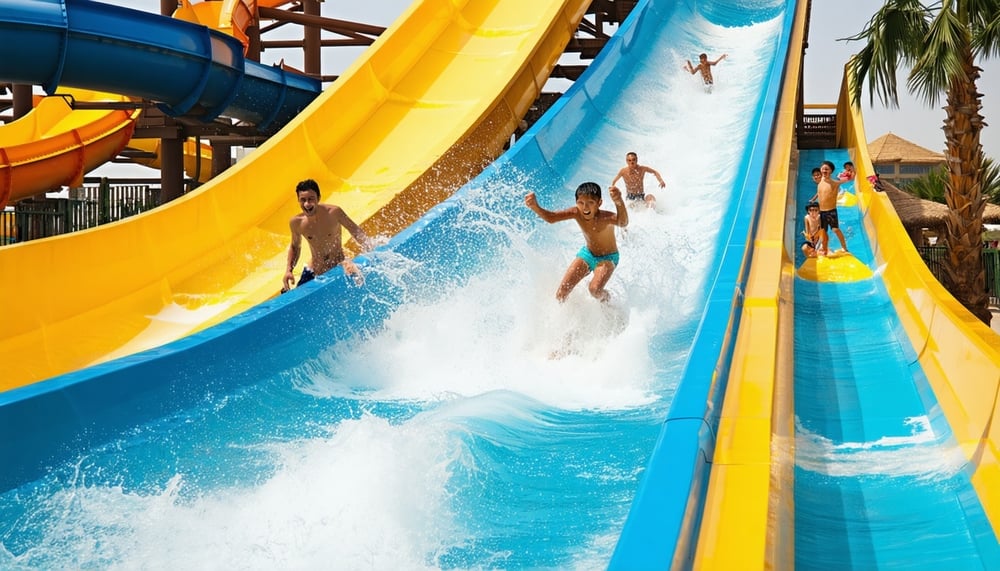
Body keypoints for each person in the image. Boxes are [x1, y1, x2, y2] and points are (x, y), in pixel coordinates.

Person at [524, 182, 628, 302]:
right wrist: (535, 207)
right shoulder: (576, 213)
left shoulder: (605, 218)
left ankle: (608, 303)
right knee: (561, 293)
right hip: (588, 254)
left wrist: (618, 201)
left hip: (608, 258)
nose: (585, 207)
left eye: (590, 203)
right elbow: (551, 217)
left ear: (599, 203)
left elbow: (623, 222)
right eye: (581, 203)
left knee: (594, 289)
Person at [282, 178, 373, 293]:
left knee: (360, 287)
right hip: (315, 271)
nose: (307, 204)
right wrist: (289, 270)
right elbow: (295, 247)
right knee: (292, 298)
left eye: (311, 199)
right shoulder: (297, 223)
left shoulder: (334, 212)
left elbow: (355, 230)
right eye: (303, 200)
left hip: (339, 264)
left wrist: (370, 247)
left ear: (318, 198)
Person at [809, 160, 848, 255]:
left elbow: (846, 180)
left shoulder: (834, 183)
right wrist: (813, 199)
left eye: (827, 169)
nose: (824, 170)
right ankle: (824, 248)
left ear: (831, 171)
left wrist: (849, 174)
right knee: (823, 231)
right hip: (822, 212)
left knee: (835, 229)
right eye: (822, 169)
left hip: (831, 211)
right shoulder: (820, 181)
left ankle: (844, 247)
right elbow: (819, 192)